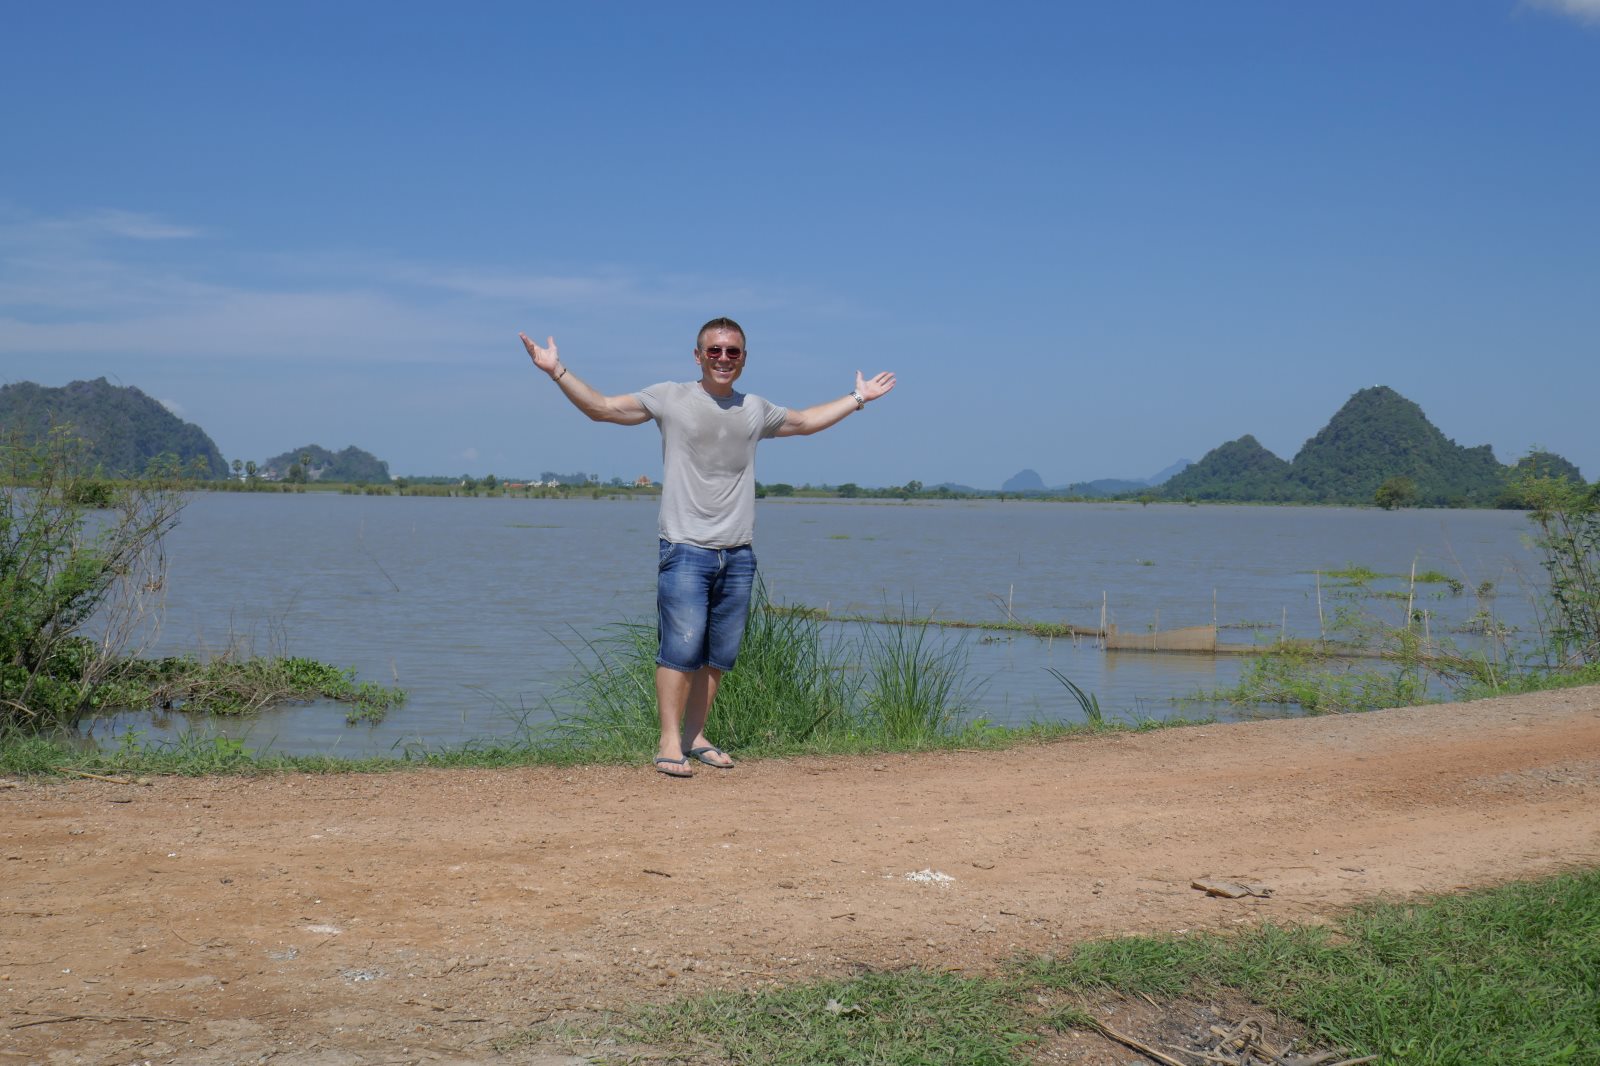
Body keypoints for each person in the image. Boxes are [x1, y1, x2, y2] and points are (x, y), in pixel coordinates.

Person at [518, 317, 896, 778]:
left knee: (718, 656)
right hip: (684, 548)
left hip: (738, 552)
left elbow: (804, 422)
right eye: (714, 350)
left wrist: (858, 397)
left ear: (743, 359)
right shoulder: (670, 397)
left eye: (732, 351)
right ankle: (668, 742)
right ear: (697, 356)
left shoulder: (754, 409)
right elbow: (602, 409)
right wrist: (556, 371)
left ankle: (696, 736)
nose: (723, 358)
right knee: (679, 650)